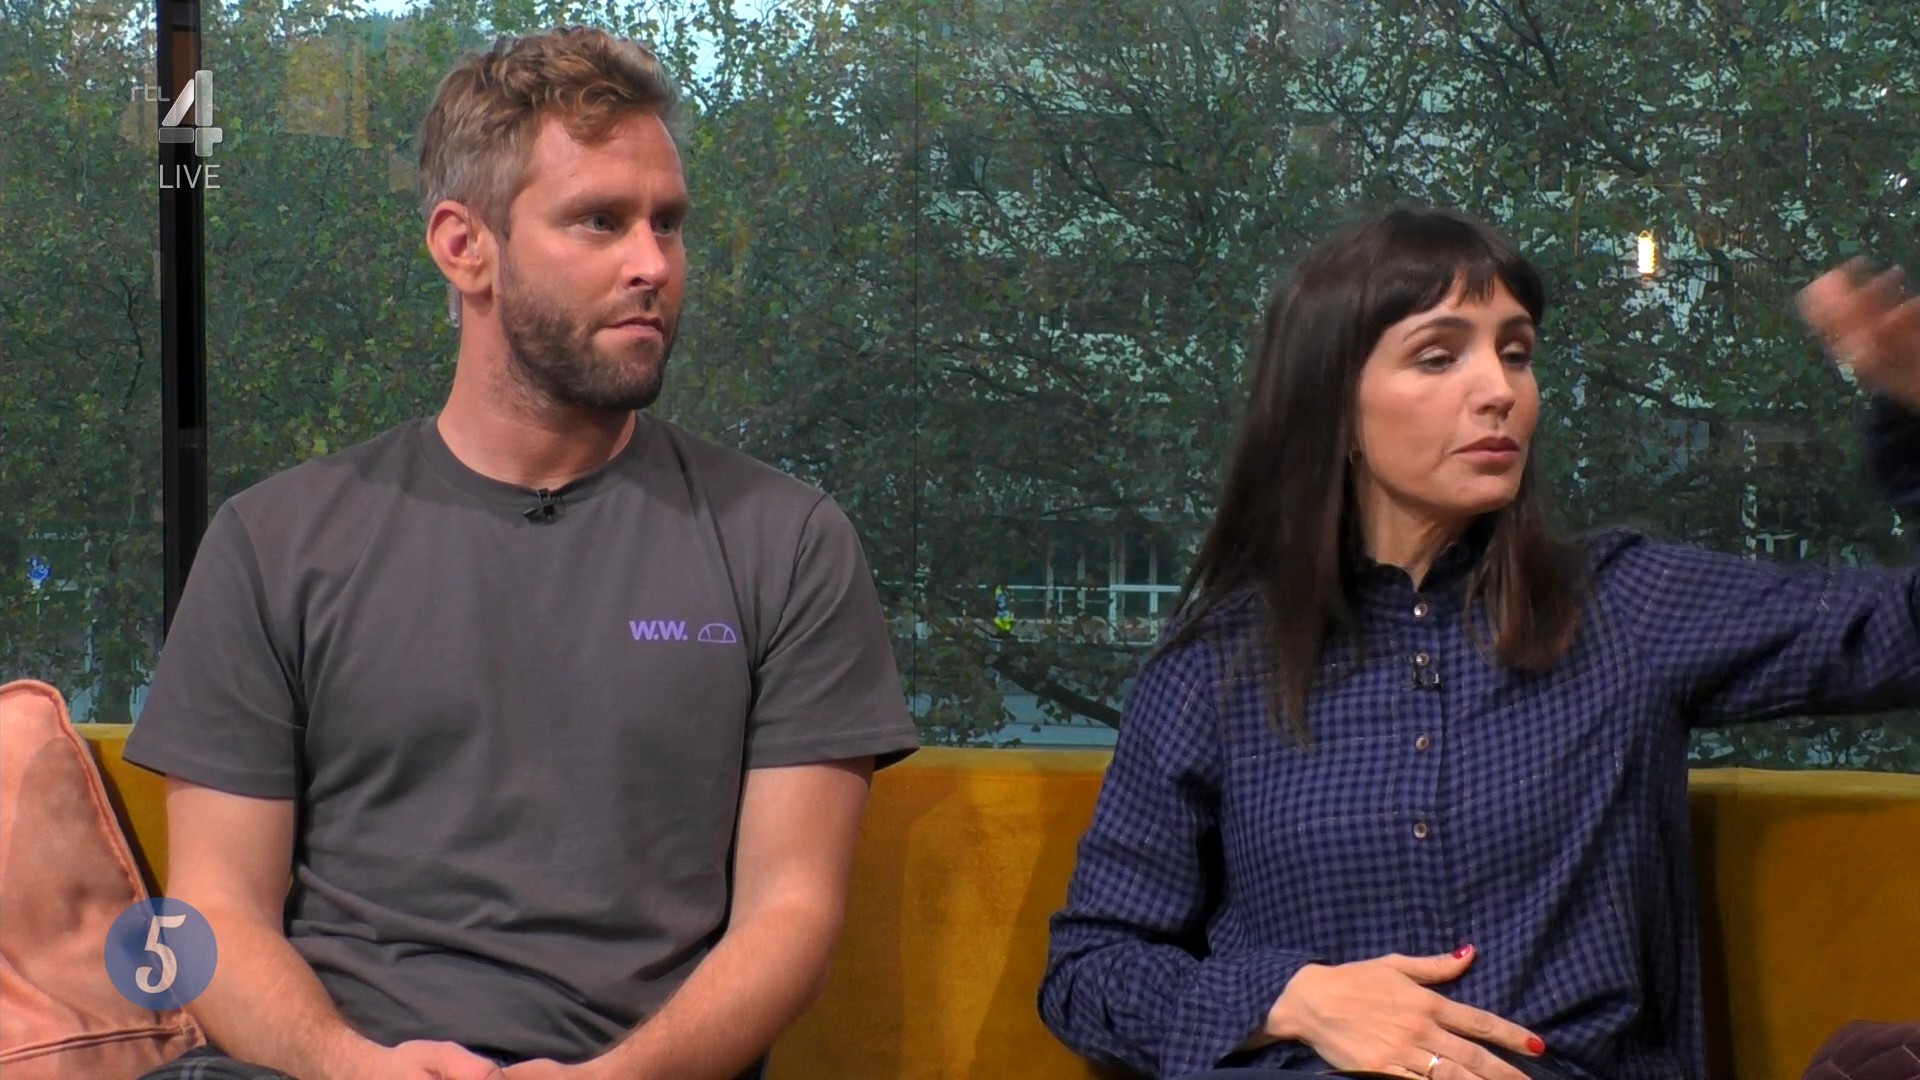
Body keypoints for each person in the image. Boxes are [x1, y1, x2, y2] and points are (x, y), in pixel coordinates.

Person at [124, 27, 918, 1080]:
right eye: (601, 221)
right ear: (465, 246)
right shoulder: (275, 543)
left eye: (668, 224)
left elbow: (793, 913)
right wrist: (350, 1065)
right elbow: (213, 911)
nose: (653, 264)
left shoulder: (786, 542)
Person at [1037, 207, 1920, 1080]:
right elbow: (1090, 974)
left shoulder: (1626, 606)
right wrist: (1291, 998)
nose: (1499, 389)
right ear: (1332, 404)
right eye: (1438, 355)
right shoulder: (1217, 665)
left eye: (1517, 352)